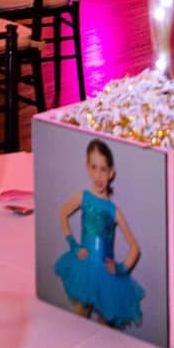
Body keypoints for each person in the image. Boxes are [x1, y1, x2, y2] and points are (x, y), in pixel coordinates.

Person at [55, 139, 144, 329]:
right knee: (80, 318)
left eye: (103, 169)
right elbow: (63, 214)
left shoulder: (114, 210)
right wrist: (74, 245)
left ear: (111, 173)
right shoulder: (83, 197)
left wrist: (120, 269)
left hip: (107, 275)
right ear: (87, 167)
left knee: (104, 327)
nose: (98, 175)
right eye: (94, 167)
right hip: (84, 267)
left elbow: (135, 248)